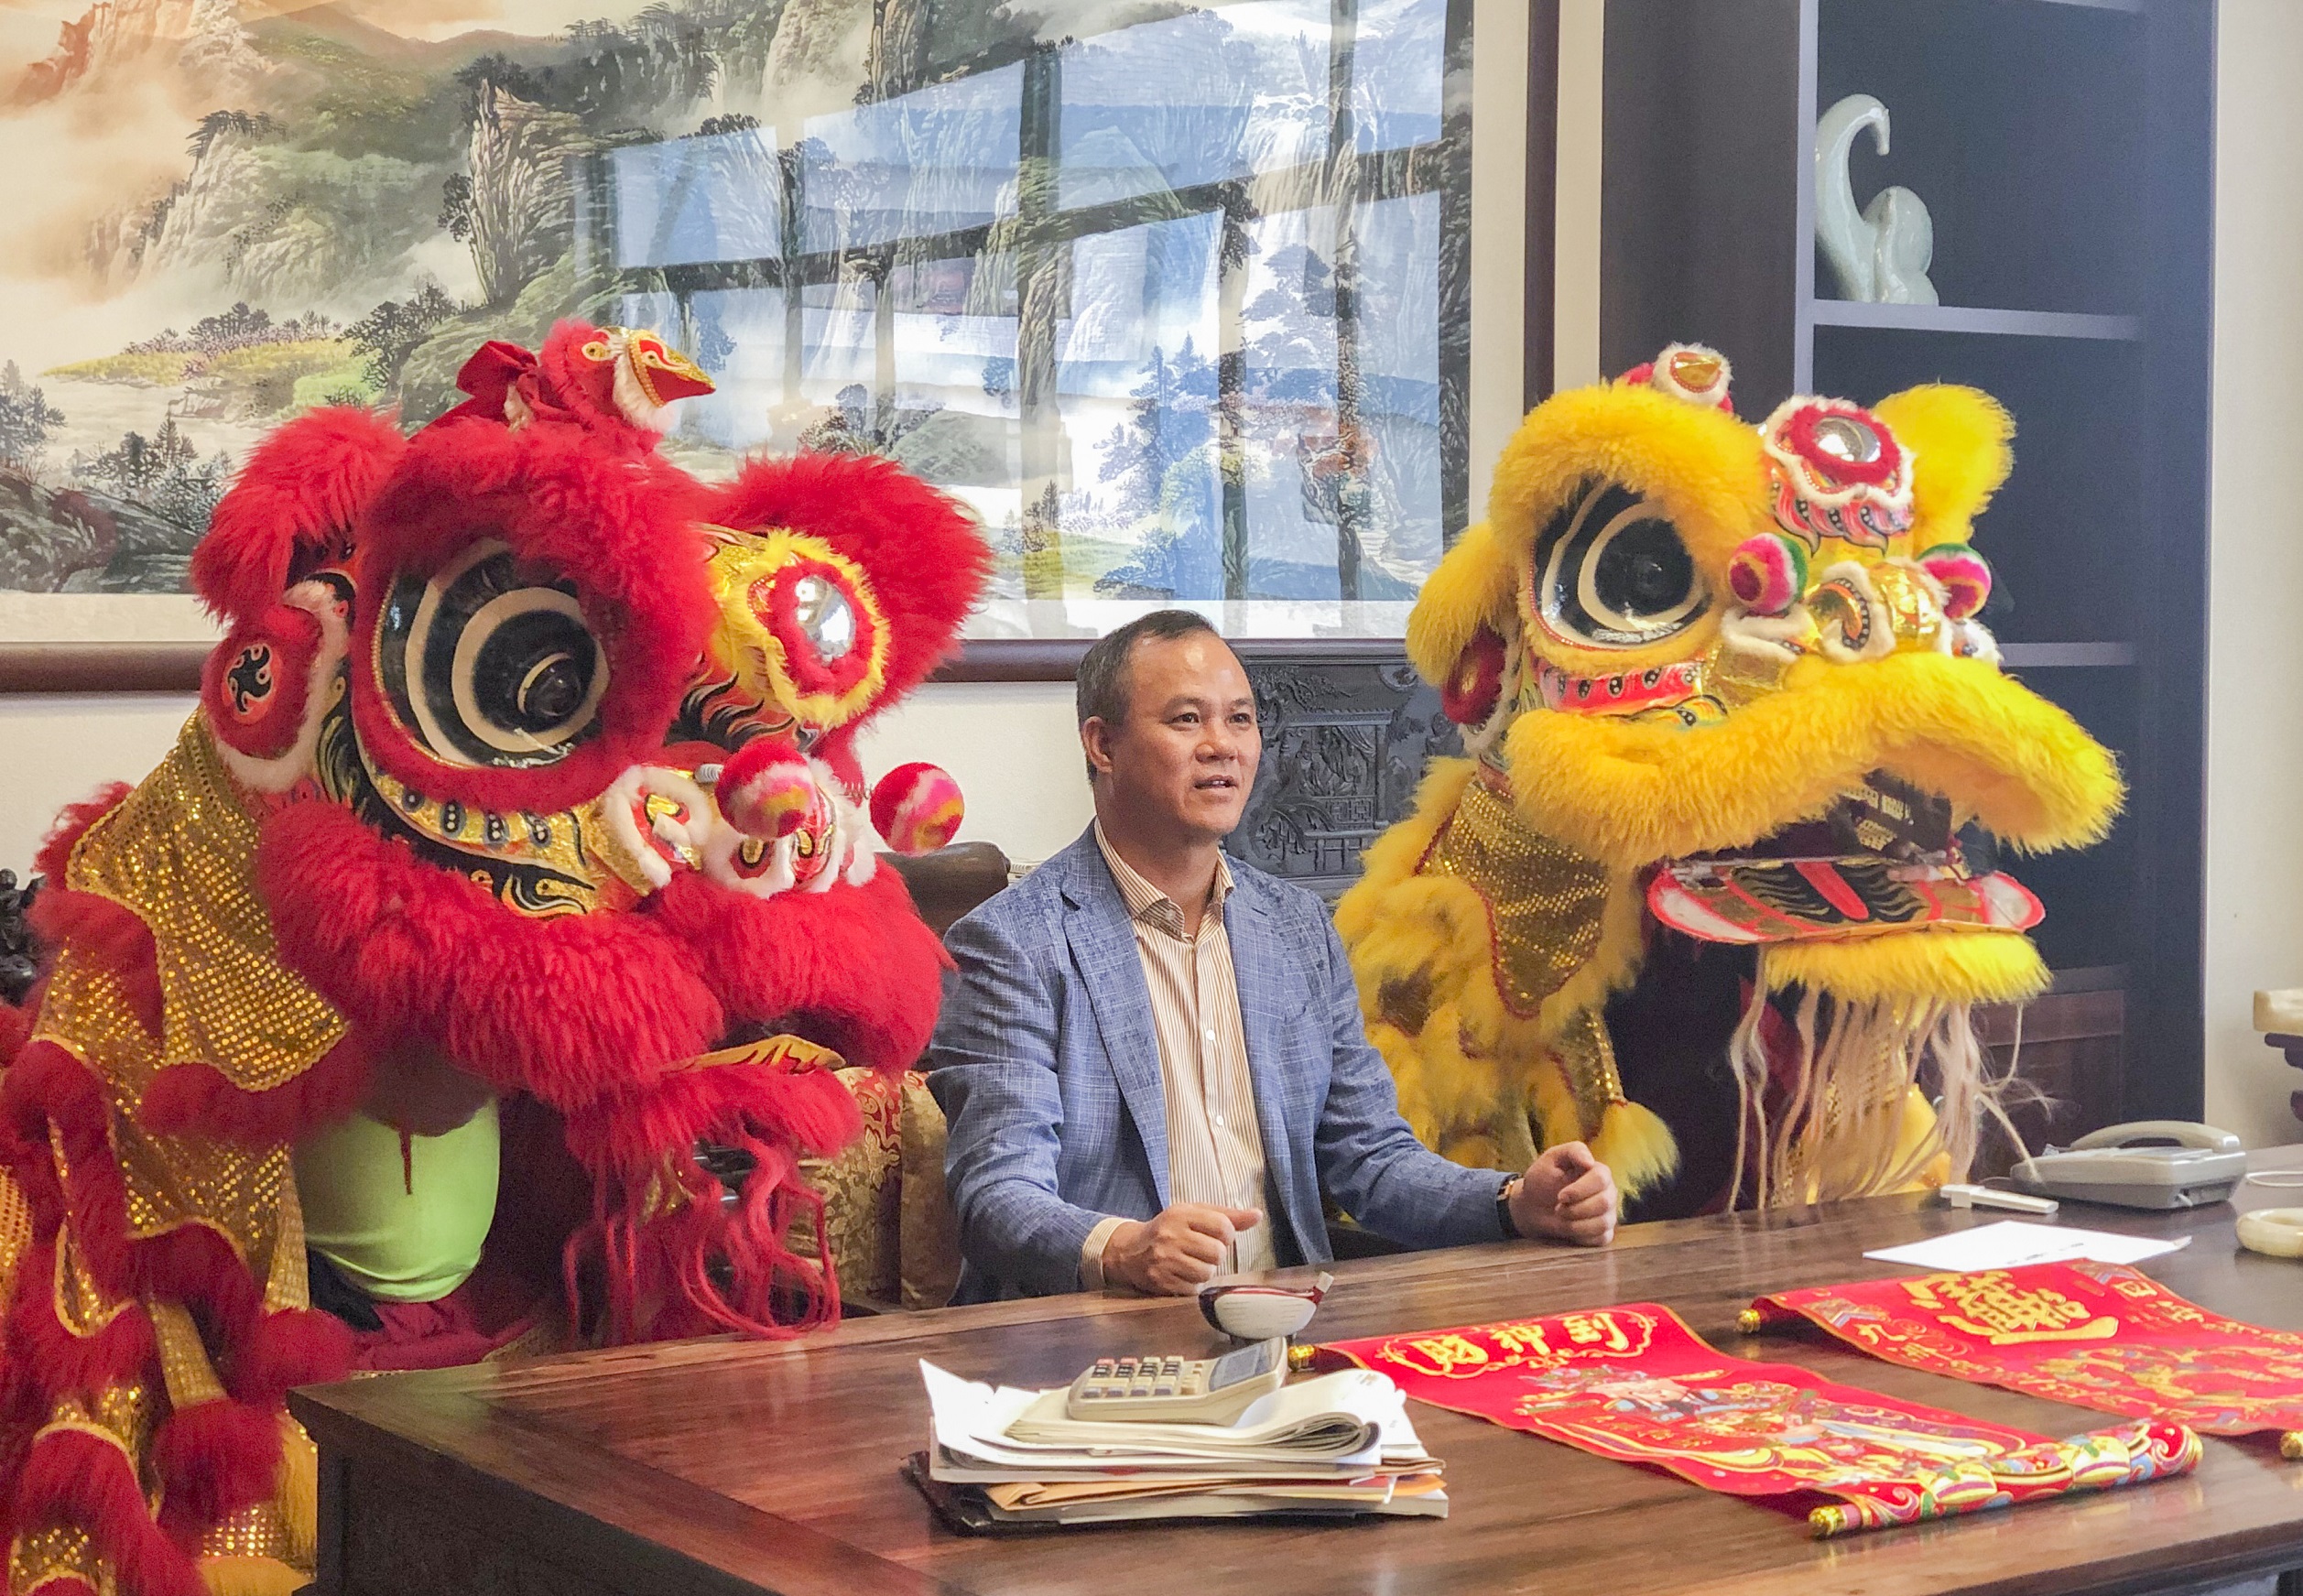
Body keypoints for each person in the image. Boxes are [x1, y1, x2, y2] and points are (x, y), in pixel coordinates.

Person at [929, 610, 1619, 1301]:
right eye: (1186, 720)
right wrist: (1120, 1247)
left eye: (1240, 719)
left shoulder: (1295, 928)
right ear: (1102, 744)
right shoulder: (1013, 943)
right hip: (1093, 1334)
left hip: (1286, 1324)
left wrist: (1513, 1201)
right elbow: (998, 1192)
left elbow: (1371, 1159)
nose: (1221, 746)